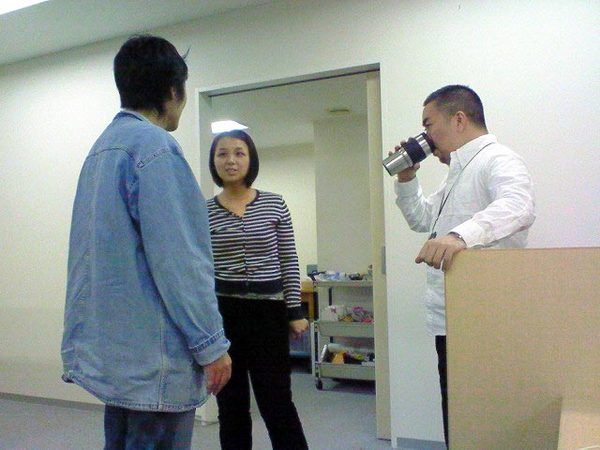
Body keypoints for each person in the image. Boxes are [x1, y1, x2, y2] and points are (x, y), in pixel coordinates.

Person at [61, 35, 231, 449]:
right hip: (156, 362)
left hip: (119, 360)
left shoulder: (100, 150)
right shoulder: (156, 149)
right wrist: (211, 344)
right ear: (173, 91)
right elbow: (180, 261)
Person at [393, 85, 536, 447]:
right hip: (452, 317)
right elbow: (422, 219)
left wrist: (459, 236)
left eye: (429, 125)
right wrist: (407, 178)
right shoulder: (458, 173)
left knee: (484, 418)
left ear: (458, 120)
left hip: (485, 318)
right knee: (458, 416)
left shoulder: (497, 159)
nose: (426, 138)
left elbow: (519, 206)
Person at [206, 129, 309, 450]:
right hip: (225, 315)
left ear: (250, 159)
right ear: (214, 161)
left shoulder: (274, 204)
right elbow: (201, 270)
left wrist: (294, 311)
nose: (231, 160)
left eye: (239, 153)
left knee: (277, 402)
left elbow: (288, 259)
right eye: (222, 154)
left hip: (268, 314)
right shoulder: (204, 211)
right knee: (231, 406)